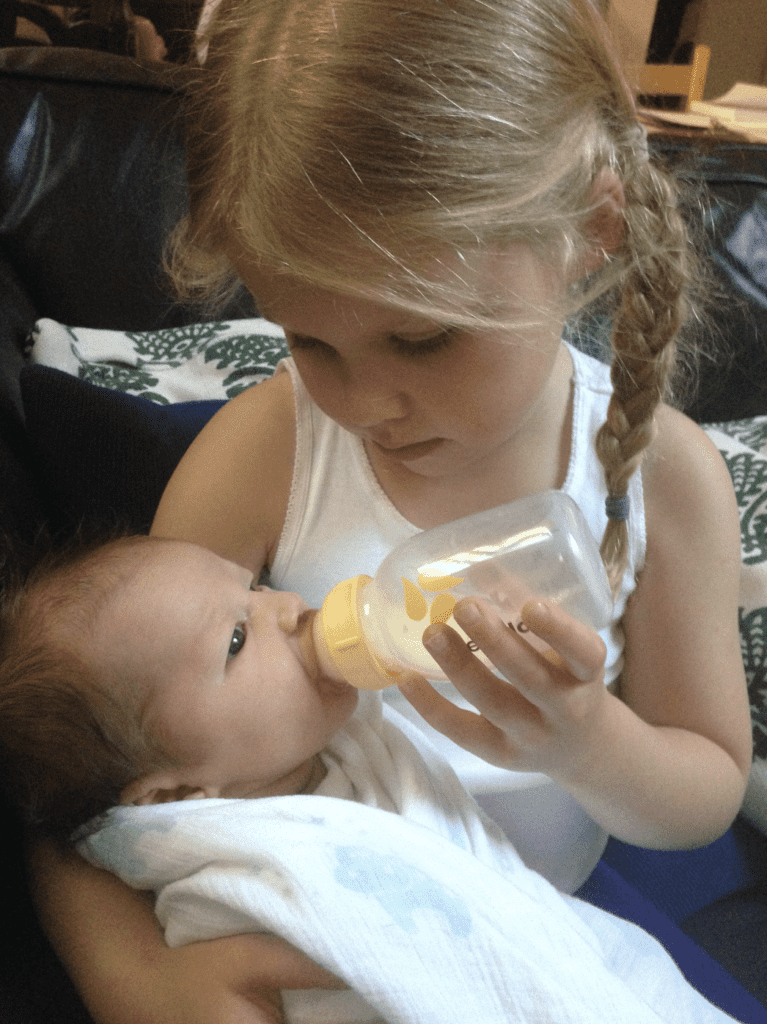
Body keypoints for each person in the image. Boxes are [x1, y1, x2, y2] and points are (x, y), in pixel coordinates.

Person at [26, 0, 753, 1021]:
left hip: (538, 916)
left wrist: (582, 741)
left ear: (589, 233)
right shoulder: (265, 447)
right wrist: (134, 979)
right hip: (327, 916)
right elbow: (96, 757)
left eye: (423, 341)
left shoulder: (659, 479)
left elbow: (704, 788)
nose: (363, 405)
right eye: (308, 342)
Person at [0, 534, 746, 1024]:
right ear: (172, 795)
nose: (289, 607)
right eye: (236, 636)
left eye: (256, 585)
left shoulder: (348, 756)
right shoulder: (243, 888)